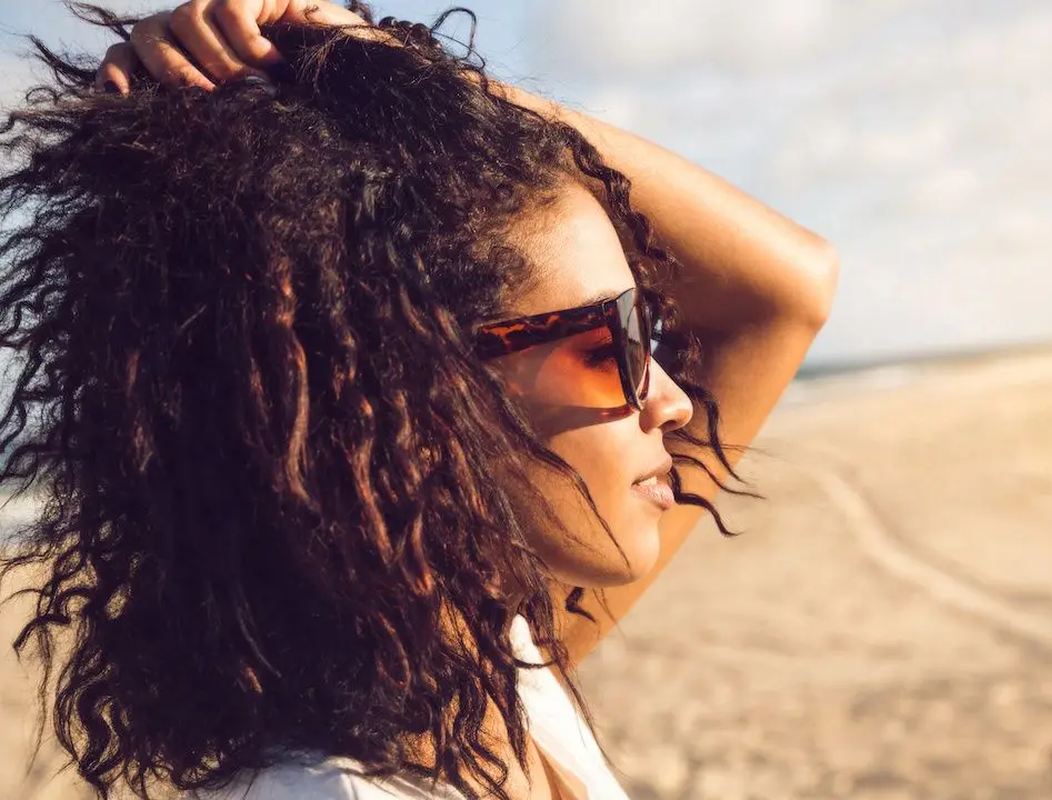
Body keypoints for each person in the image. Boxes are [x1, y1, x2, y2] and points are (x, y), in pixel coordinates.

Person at [0, 1, 838, 798]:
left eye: (645, 329)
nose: (673, 401)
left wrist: (389, 74)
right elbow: (784, 294)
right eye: (604, 346)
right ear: (417, 391)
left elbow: (790, 289)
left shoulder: (484, 674)